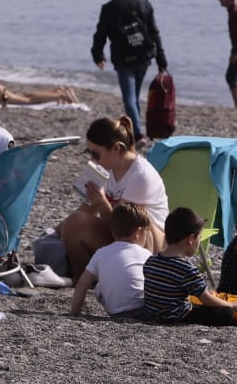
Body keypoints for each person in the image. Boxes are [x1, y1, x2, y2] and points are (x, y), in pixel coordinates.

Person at [55, 115, 168, 278]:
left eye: (95, 154)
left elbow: (126, 226)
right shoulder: (108, 167)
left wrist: (101, 202)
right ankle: (81, 278)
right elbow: (86, 209)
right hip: (122, 236)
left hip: (148, 243)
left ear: (116, 148)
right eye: (89, 152)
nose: (92, 159)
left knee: (134, 223)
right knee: (74, 223)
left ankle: (118, 276)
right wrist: (55, 232)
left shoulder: (140, 176)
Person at [144, 207, 237, 327]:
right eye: (199, 239)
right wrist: (231, 305)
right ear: (191, 239)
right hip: (176, 316)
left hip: (152, 314)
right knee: (224, 312)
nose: (199, 243)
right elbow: (206, 299)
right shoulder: (186, 268)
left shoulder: (151, 260)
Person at [90, 0, 167, 139]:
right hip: (144, 56)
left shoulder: (109, 8)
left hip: (123, 59)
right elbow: (154, 32)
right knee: (134, 95)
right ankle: (135, 127)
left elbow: (100, 34)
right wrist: (162, 59)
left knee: (130, 97)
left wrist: (98, 55)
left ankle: (137, 132)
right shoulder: (144, 4)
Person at [69, 203, 153, 317]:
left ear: (113, 232)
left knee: (99, 287)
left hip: (115, 312)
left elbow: (82, 284)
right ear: (138, 233)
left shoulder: (101, 253)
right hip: (143, 309)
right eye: (146, 232)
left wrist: (74, 312)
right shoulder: (145, 254)